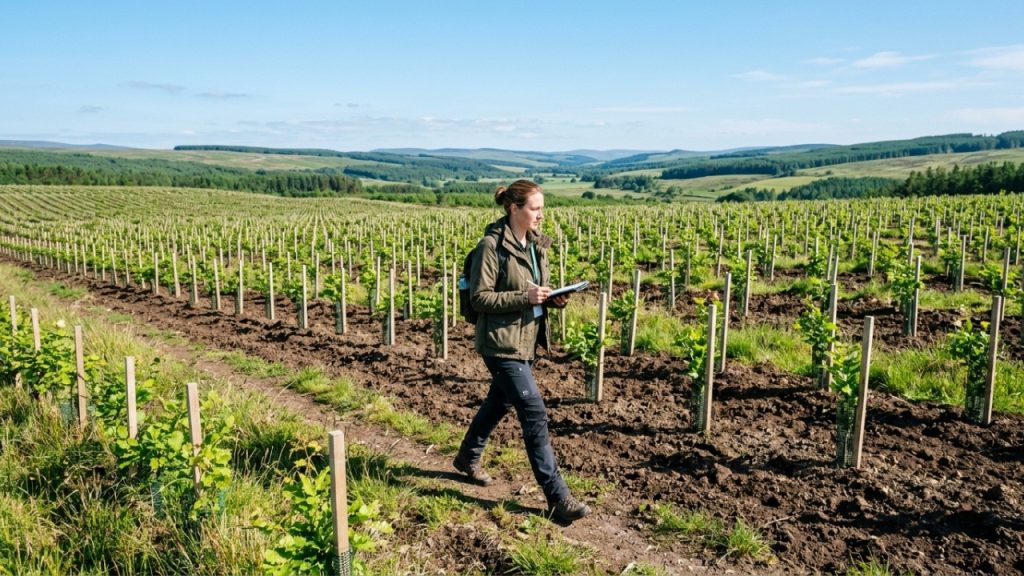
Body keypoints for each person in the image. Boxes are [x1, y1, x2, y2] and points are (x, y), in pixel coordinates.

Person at [452, 179, 591, 523]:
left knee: (498, 402)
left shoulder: (535, 246)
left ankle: (467, 457)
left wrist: (553, 299)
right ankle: (557, 496)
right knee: (533, 412)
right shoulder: (490, 246)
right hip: (500, 343)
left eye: (542, 208)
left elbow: (535, 291)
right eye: (535, 208)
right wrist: (525, 298)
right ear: (514, 208)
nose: (541, 215)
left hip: (526, 339)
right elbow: (480, 298)